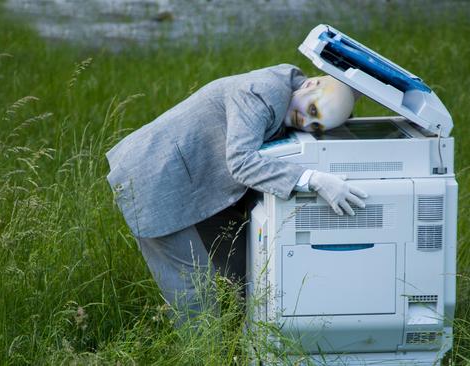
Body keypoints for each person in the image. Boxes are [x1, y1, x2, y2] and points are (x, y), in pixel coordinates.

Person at [105, 64, 368, 321]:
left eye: (317, 125)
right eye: (312, 109)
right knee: (194, 288)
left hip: (199, 182)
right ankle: (205, 356)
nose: (307, 121)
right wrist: (312, 178)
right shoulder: (262, 92)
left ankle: (250, 342)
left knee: (246, 263)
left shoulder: (289, 95)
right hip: (156, 177)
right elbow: (241, 162)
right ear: (311, 84)